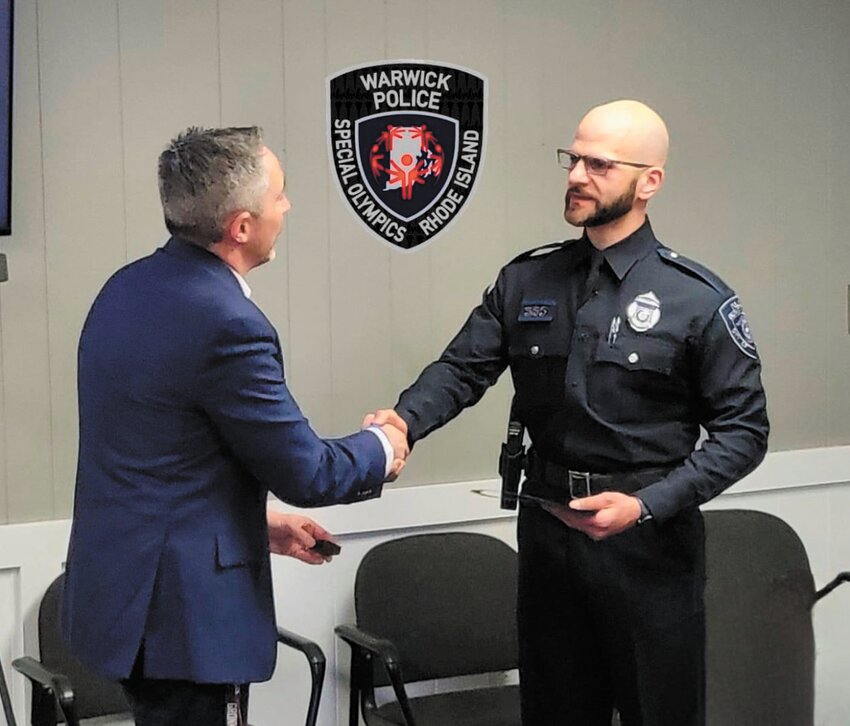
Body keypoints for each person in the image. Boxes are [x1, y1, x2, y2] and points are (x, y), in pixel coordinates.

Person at [365, 100, 768, 726]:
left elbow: (743, 434)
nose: (577, 175)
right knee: (553, 712)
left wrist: (643, 506)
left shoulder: (697, 298)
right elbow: (463, 368)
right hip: (551, 532)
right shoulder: (529, 279)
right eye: (573, 159)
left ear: (649, 182)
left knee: (657, 711)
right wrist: (403, 420)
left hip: (648, 542)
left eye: (599, 164)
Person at [61, 126, 409, 726]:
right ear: (241, 227)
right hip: (183, 625)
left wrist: (256, 520)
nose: (288, 207)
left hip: (123, 604)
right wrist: (384, 446)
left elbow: (159, 457)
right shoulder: (228, 322)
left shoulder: (124, 289)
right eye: (279, 195)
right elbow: (307, 470)